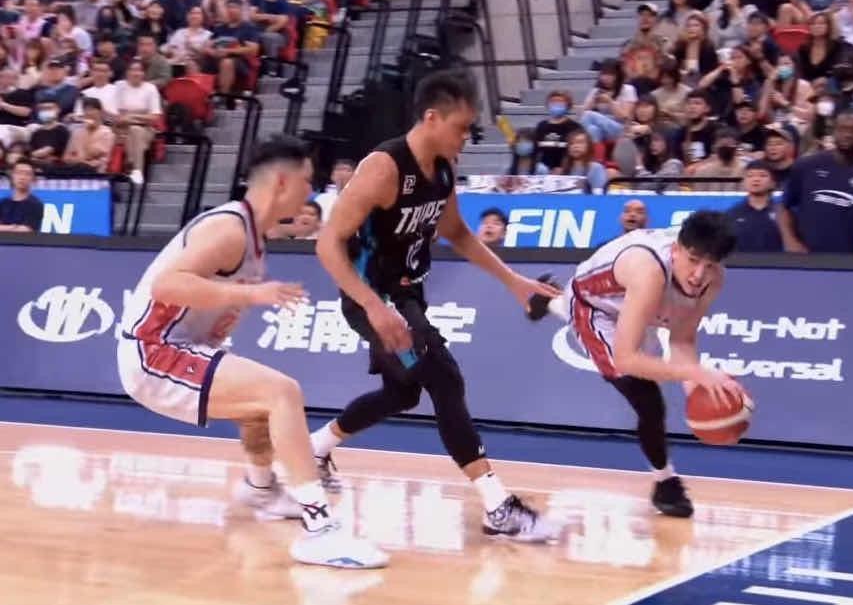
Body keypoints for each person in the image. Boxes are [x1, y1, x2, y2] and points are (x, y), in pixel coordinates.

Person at [311, 70, 561, 542]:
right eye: (461, 127)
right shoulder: (383, 168)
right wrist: (373, 306)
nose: (467, 137)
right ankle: (498, 506)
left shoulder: (443, 170)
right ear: (431, 118)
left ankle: (315, 448)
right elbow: (328, 243)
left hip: (406, 295)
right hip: (371, 296)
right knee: (444, 378)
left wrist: (514, 282)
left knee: (402, 394)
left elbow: (458, 234)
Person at [115, 136, 388, 569]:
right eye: (306, 181)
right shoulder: (229, 229)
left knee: (262, 407)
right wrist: (253, 294)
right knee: (281, 393)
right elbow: (167, 285)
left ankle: (261, 489)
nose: (310, 191)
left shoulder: (254, 236)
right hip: (153, 351)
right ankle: (319, 530)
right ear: (281, 182)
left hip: (180, 345)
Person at [527, 211, 746, 517]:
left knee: (652, 355)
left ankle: (548, 302)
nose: (698, 275)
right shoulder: (649, 270)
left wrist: (698, 390)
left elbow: (681, 342)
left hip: (637, 302)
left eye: (710, 265)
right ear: (676, 249)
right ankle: (665, 482)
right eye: (693, 260)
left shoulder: (712, 281)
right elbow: (626, 359)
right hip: (593, 305)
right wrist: (695, 372)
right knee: (647, 398)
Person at [778, 110, 853, 254]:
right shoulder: (807, 165)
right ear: (833, 131)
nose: (848, 135)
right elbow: (784, 207)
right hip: (805, 259)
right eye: (842, 129)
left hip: (846, 261)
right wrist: (790, 242)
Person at [726, 160, 783, 252]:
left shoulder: (782, 214)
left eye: (762, 175)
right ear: (743, 182)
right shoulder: (732, 214)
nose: (756, 179)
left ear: (773, 183)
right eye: (750, 175)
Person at [0, 160, 44, 233]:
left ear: (33, 179)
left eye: (27, 174)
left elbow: (27, 230)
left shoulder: (36, 204)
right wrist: (14, 227)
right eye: (19, 173)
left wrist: (6, 228)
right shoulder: (3, 203)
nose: (22, 177)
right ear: (12, 176)